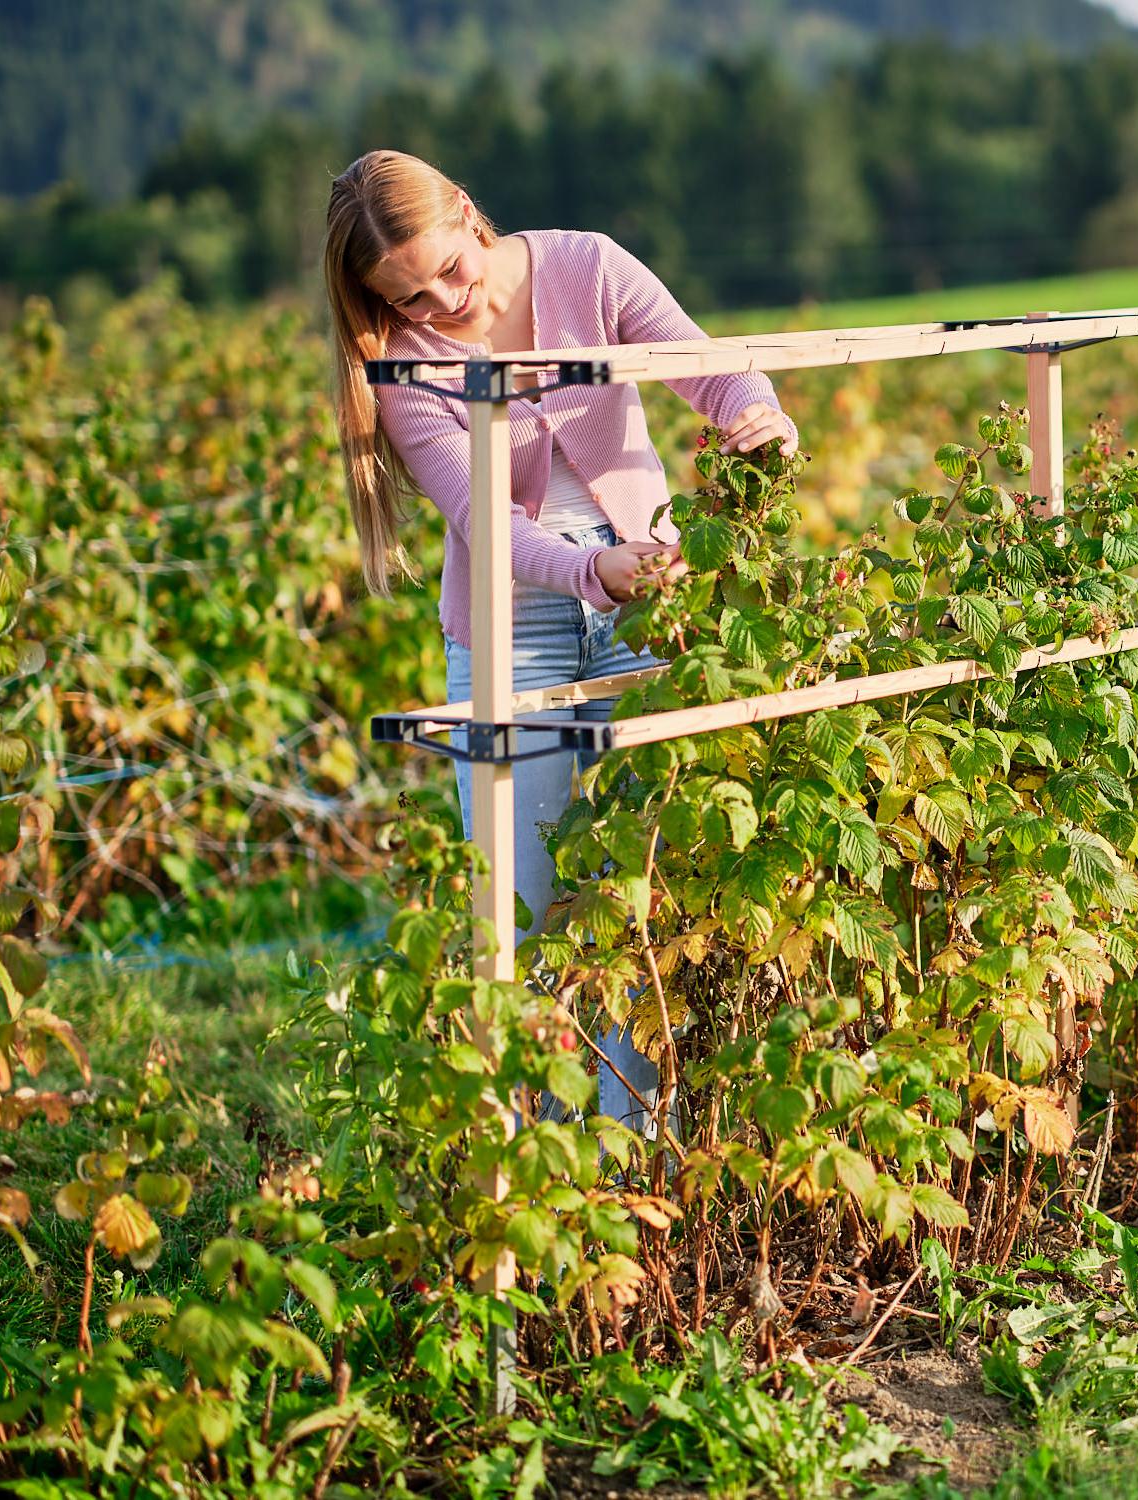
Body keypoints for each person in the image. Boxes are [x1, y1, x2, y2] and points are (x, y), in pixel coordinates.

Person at [322, 148, 799, 1133]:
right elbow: (479, 516)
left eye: (448, 269)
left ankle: (629, 1165)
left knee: (636, 899)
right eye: (409, 296)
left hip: (644, 597)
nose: (443, 303)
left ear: (466, 209)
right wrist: (589, 571)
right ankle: (539, 1170)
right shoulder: (401, 362)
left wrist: (756, 415)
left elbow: (705, 367)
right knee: (526, 912)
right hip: (516, 615)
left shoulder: (586, 265)